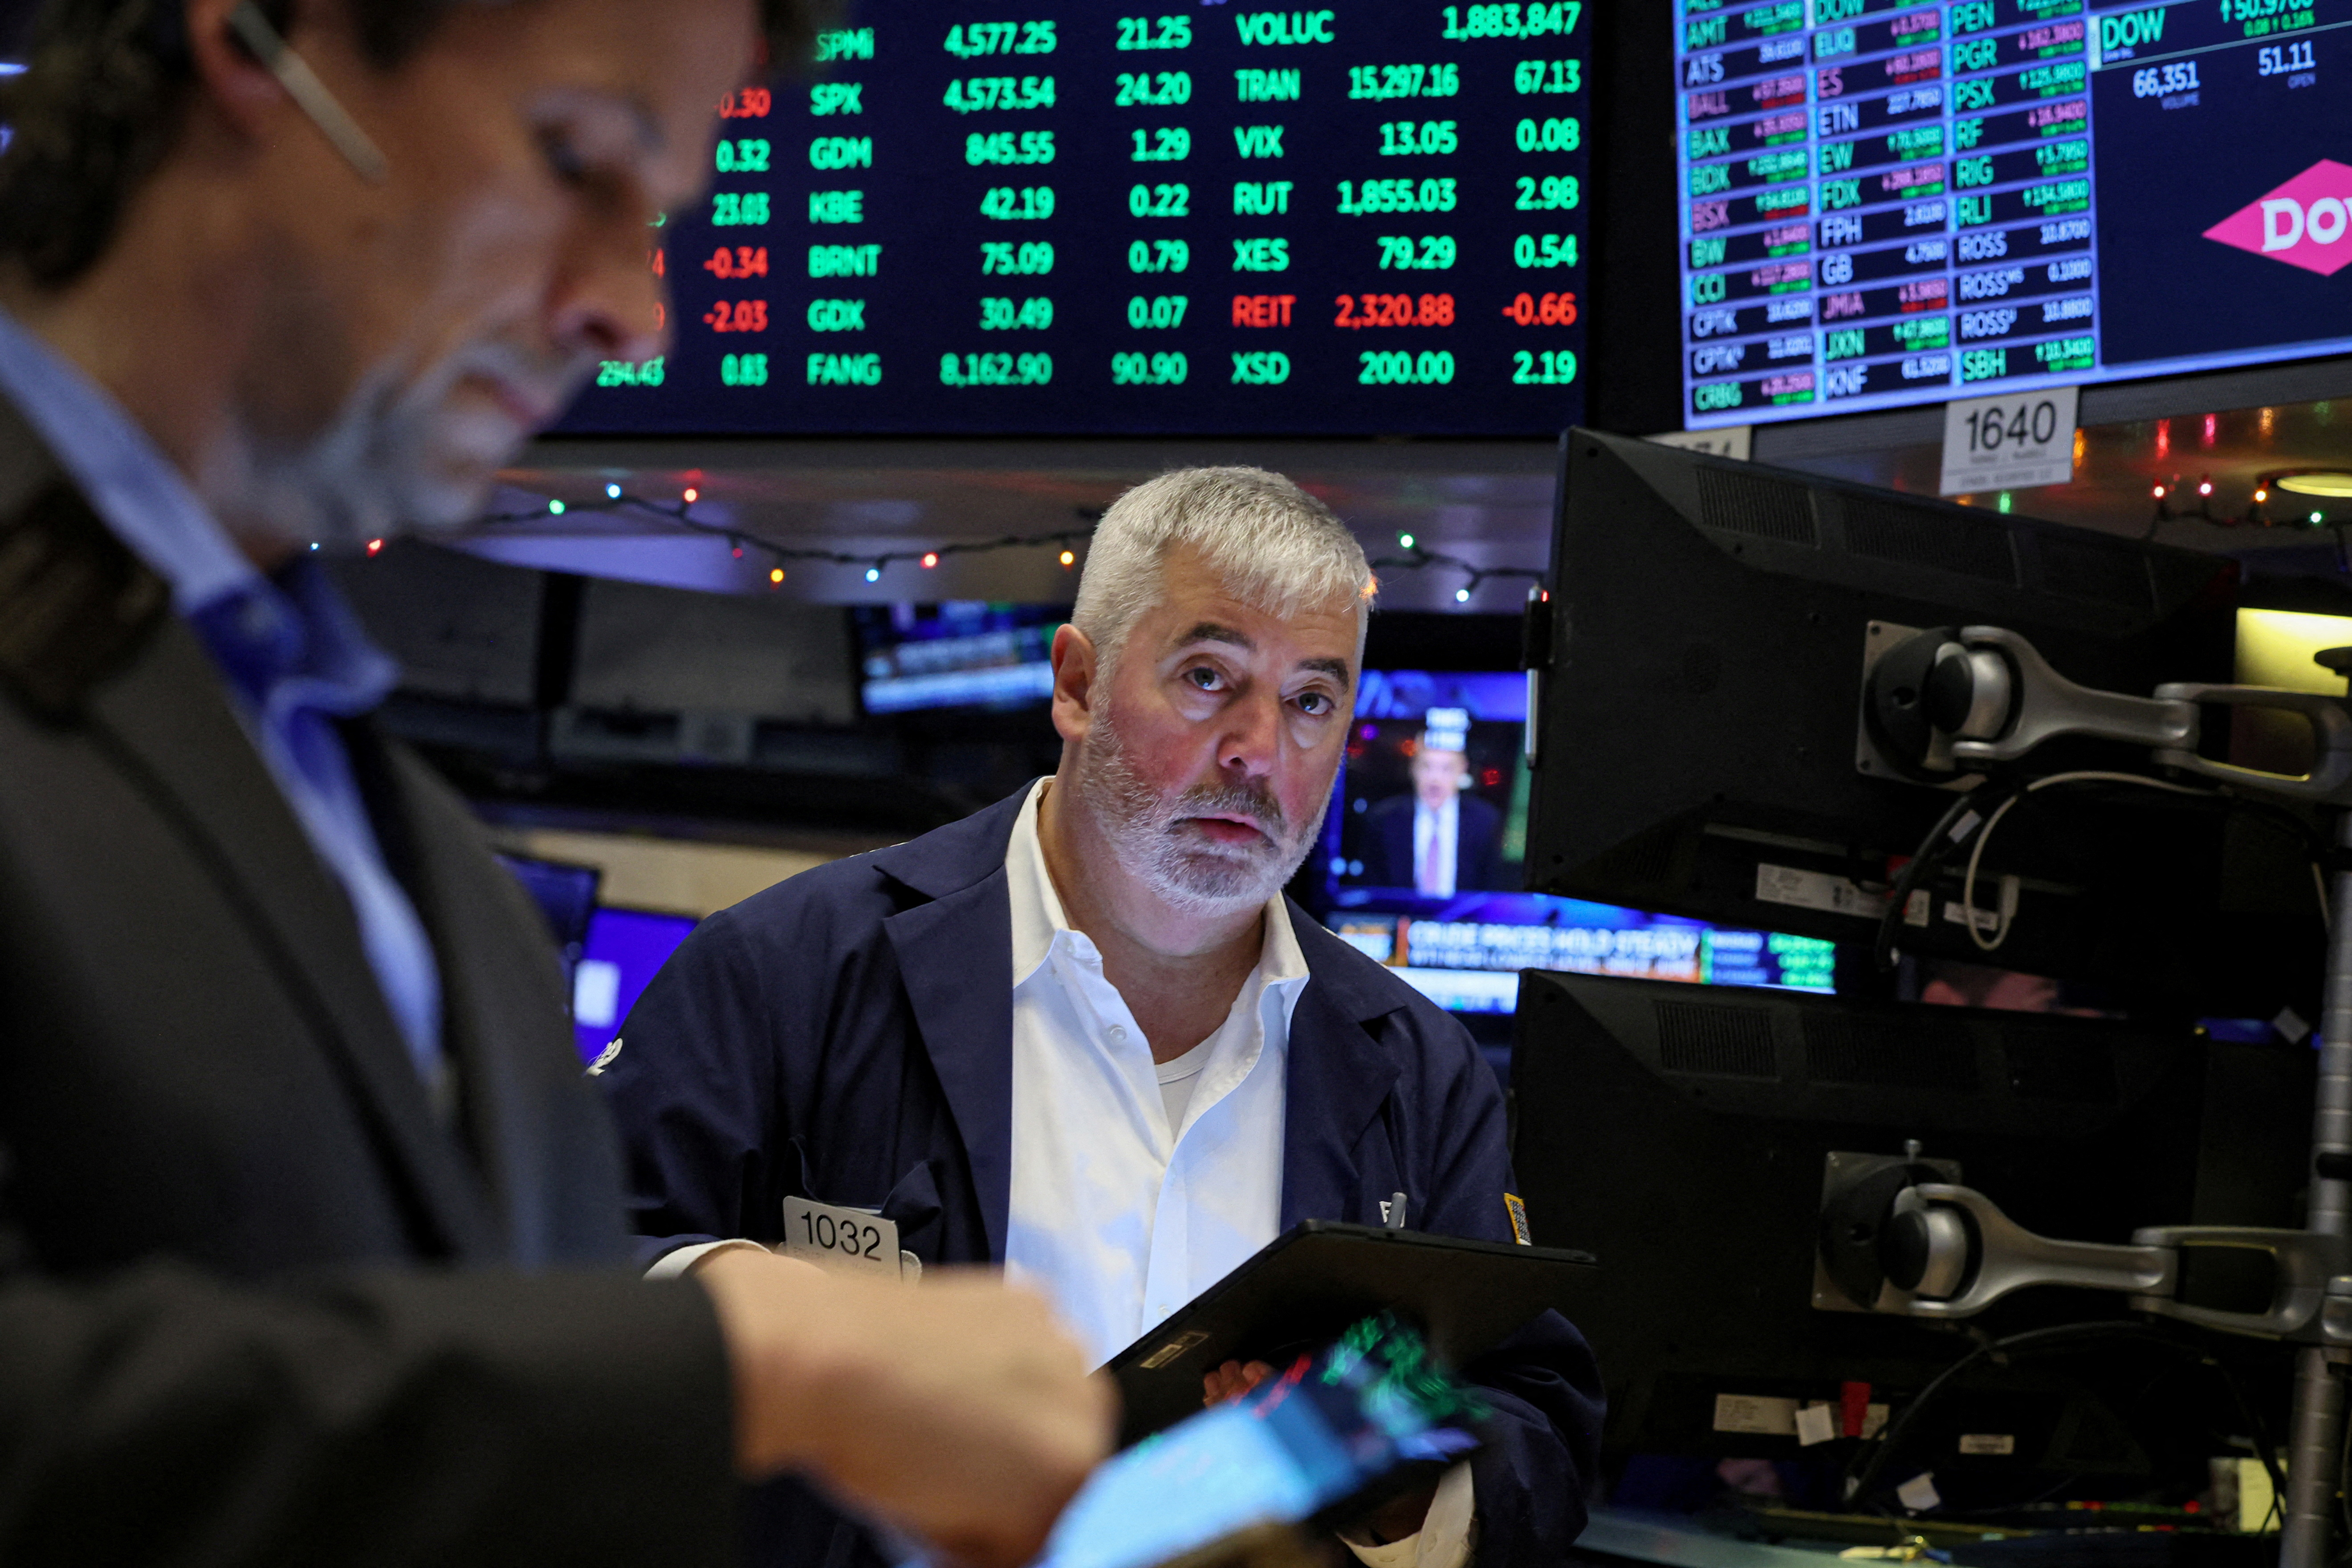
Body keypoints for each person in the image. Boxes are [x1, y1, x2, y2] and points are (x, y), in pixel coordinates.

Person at [0, 1, 1109, 1562]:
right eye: (575, 158)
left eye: (656, 218)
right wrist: (747, 1371)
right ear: (261, 47)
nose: (631, 309)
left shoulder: (403, 846)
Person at [601, 467, 1606, 1568]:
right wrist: (760, 1306)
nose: (1259, 750)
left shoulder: (1416, 1065)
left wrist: (1383, 1458)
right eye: (1208, 677)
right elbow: (554, 1278)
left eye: (1312, 700)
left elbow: (1536, 1414)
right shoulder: (791, 970)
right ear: (1075, 684)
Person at [1363, 733, 1502, 896]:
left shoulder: (1485, 821)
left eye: (1447, 769)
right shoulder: (1384, 818)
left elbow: (1491, 889)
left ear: (1463, 770)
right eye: (1426, 767)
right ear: (1413, 768)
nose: (1435, 779)